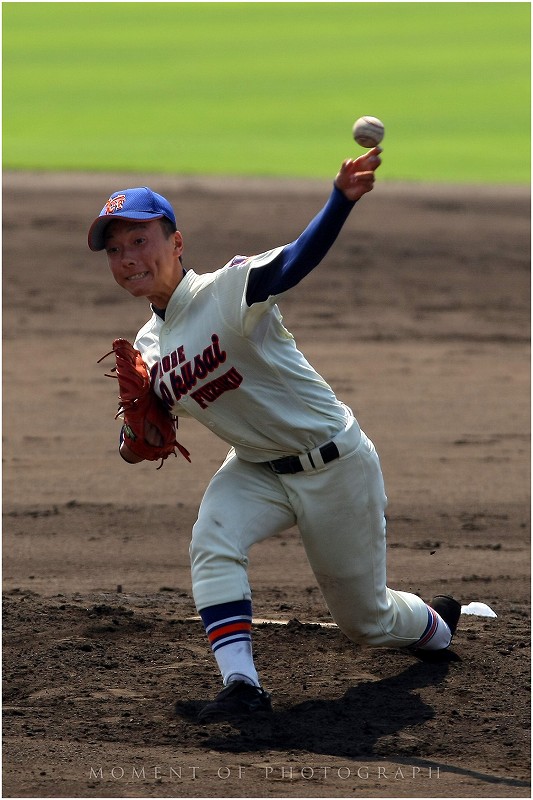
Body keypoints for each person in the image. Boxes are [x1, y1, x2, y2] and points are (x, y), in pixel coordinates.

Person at [88, 147, 461, 722]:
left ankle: (434, 626)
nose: (127, 257)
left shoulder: (228, 290)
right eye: (115, 249)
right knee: (213, 540)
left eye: (140, 240)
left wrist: (339, 201)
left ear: (177, 244)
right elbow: (144, 434)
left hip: (334, 462)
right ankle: (242, 686)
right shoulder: (146, 347)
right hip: (256, 466)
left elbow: (293, 263)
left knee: (368, 622)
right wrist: (133, 444)